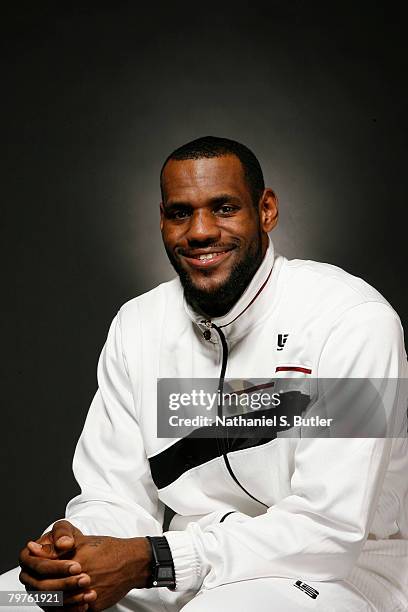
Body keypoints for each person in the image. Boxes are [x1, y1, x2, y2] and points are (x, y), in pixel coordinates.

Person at [2, 136, 407, 612]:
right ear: (161, 220)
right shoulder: (138, 325)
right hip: (184, 565)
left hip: (342, 573)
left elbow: (328, 532)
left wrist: (154, 559)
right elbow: (115, 495)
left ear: (266, 210)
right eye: (180, 213)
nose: (200, 231)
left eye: (224, 208)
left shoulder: (351, 320)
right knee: (15, 599)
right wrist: (75, 548)